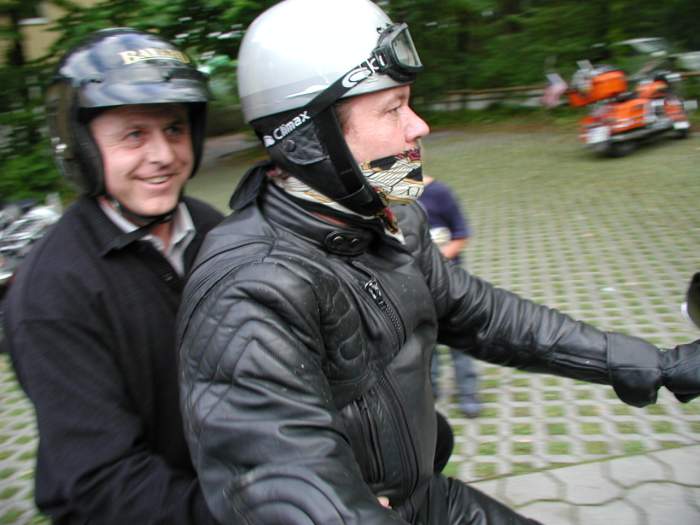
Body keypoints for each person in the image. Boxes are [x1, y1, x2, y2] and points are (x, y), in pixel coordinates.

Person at [177, 1, 700, 523]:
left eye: (410, 104)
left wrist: (654, 366)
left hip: (428, 499)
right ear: (311, 138)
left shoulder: (392, 220)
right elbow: (278, 482)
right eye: (393, 109)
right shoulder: (250, 288)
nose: (419, 126)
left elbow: (483, 315)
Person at [4, 28, 223, 524]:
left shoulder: (214, 230)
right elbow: (105, 484)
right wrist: (263, 511)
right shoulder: (51, 293)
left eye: (174, 129)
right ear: (81, 149)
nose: (163, 155)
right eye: (134, 135)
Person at [418, 176, 481, 417]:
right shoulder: (391, 196)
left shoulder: (439, 193)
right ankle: (431, 388)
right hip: (416, 287)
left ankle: (468, 391)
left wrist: (433, 262)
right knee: (426, 342)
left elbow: (461, 235)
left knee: (459, 341)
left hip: (449, 284)